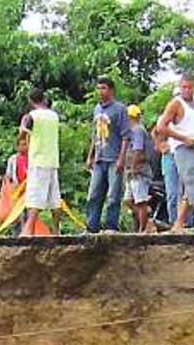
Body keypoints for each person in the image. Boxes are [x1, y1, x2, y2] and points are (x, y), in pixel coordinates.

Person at [158, 73, 194, 230]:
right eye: (184, 87)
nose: (187, 90)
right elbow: (161, 127)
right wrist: (182, 138)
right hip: (183, 149)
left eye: (189, 87)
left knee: (189, 189)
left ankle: (178, 223)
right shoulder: (175, 104)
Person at [84, 76, 128, 233]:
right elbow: (94, 135)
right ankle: (91, 226)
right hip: (99, 157)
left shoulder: (120, 109)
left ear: (111, 90)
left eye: (103, 88)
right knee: (93, 194)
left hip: (114, 157)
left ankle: (111, 226)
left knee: (113, 195)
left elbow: (125, 136)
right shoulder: (97, 109)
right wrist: (90, 156)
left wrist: (122, 158)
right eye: (98, 88)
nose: (100, 91)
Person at [20, 88, 62, 235]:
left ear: (30, 101)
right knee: (55, 199)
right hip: (53, 160)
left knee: (34, 198)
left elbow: (21, 136)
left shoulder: (32, 116)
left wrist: (22, 126)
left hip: (38, 160)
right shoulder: (54, 116)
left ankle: (28, 230)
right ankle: (56, 230)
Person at [124, 105, 153, 233]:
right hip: (132, 172)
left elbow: (138, 150)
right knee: (128, 200)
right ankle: (146, 220)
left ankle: (143, 228)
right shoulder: (133, 130)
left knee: (140, 202)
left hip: (139, 172)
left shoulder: (138, 130)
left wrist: (134, 167)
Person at [1, 132, 30, 235]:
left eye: (26, 144)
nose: (25, 147)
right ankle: (16, 236)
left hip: (28, 191)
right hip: (16, 191)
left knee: (28, 215)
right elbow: (8, 175)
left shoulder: (32, 158)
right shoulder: (13, 159)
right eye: (22, 144)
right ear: (17, 146)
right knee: (16, 216)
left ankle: (27, 234)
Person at [153, 127, 180, 227]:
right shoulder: (166, 121)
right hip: (169, 156)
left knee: (186, 193)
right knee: (172, 194)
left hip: (183, 152)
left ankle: (187, 223)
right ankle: (173, 222)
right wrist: (159, 145)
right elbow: (155, 131)